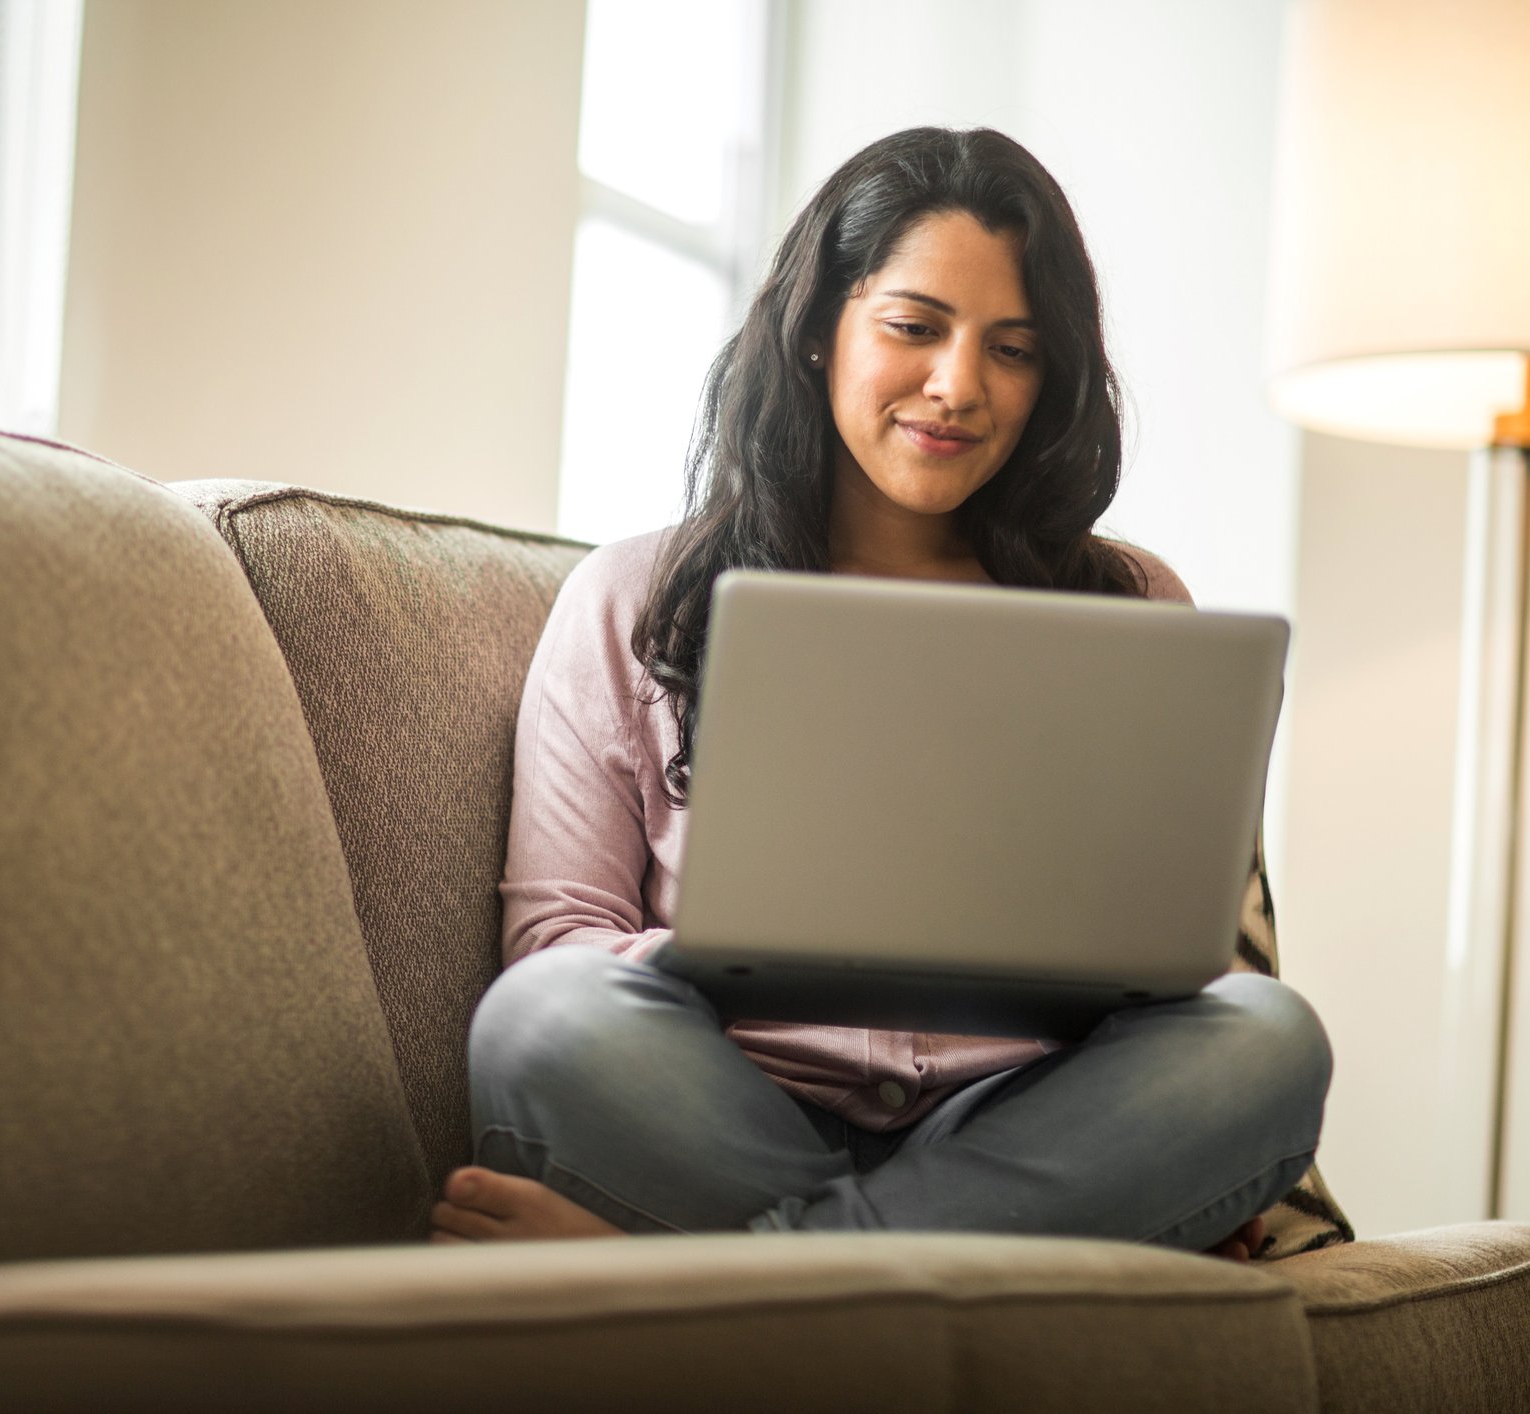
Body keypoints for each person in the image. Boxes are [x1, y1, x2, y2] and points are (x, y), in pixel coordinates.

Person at [428, 127, 1331, 1260]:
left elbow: (1188, 966)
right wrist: (726, 949)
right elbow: (557, 939)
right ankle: (897, 1280)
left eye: (1014, 349)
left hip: (1025, 1126)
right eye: (914, 327)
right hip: (730, 1109)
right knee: (541, 1019)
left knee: (1267, 1039)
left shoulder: (1133, 603)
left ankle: (738, 1289)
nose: (959, 387)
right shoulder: (635, 598)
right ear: (819, 332)